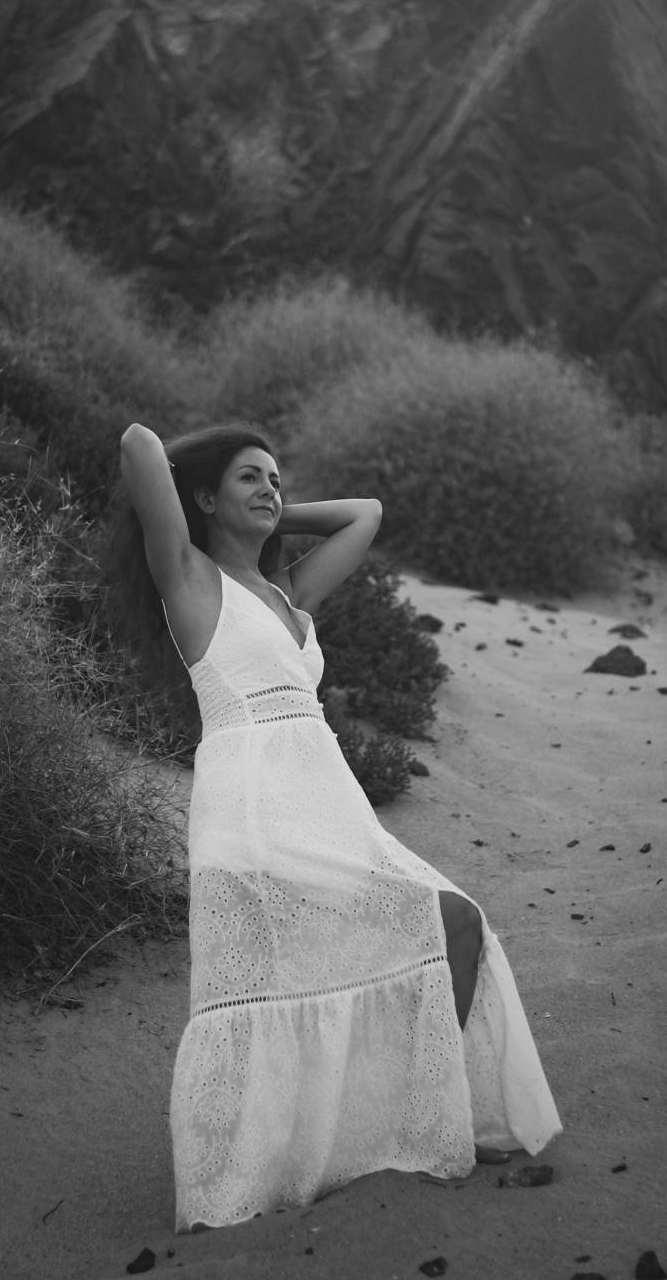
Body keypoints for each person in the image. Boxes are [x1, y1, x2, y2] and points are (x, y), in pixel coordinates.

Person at [116, 420, 561, 1233]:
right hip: (255, 810)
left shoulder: (286, 593)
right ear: (204, 498)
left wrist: (268, 513)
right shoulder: (189, 579)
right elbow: (140, 444)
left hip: (326, 804)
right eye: (249, 477)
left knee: (452, 926)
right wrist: (205, 494)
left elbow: (366, 514)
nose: (270, 488)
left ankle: (405, 1118)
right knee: (311, 974)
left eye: (277, 478)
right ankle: (258, 1173)